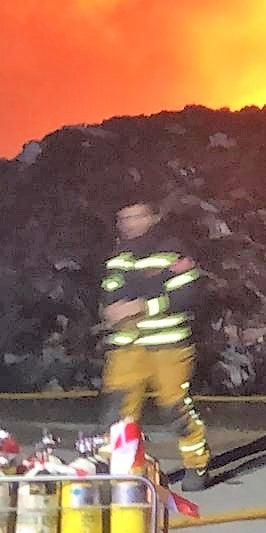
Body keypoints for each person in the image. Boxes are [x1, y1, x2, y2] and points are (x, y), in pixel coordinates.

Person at [98, 202, 212, 491]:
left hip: (167, 345)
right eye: (124, 218)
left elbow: (188, 294)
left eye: (137, 217)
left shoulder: (174, 250)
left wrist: (143, 306)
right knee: (117, 411)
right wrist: (112, 309)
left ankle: (196, 464)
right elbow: (111, 293)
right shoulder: (118, 257)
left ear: (153, 218)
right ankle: (121, 469)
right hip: (126, 346)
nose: (130, 223)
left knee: (174, 408)